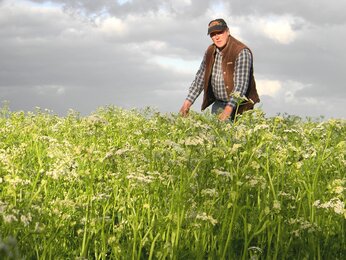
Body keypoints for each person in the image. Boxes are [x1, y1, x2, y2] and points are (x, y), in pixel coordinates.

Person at [179, 18, 260, 121]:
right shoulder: (210, 51)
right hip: (218, 104)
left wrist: (227, 110)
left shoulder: (241, 51)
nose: (217, 37)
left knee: (236, 136)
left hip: (240, 106)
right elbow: (200, 79)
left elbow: (241, 86)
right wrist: (187, 104)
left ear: (227, 31)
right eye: (213, 34)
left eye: (220, 33)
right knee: (215, 135)